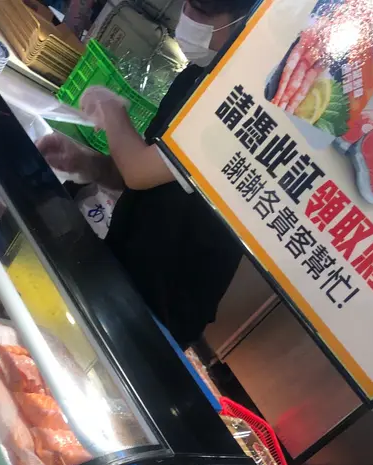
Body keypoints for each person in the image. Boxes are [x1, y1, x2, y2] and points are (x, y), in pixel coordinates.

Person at [38, 0, 255, 348]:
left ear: (247, 20)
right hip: (114, 268)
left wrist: (112, 109)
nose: (187, 17)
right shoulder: (195, 75)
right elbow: (145, 179)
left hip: (156, 316)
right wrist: (88, 164)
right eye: (187, 3)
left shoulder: (243, 104)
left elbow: (138, 171)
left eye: (200, 11)